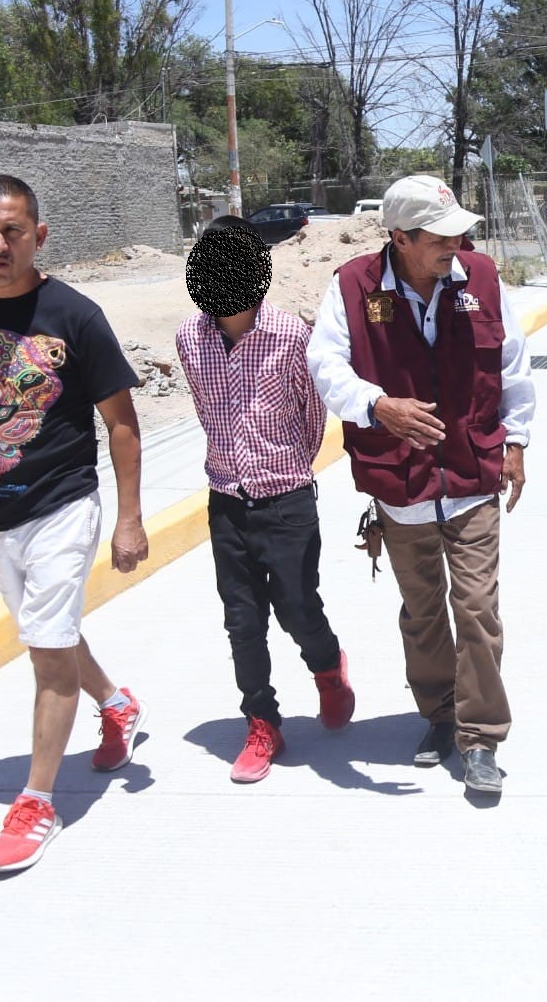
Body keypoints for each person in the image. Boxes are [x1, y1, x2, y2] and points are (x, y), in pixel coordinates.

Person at [0, 175, 150, 872]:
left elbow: (122, 423)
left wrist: (129, 518)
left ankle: (38, 801)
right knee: (52, 634)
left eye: (12, 231)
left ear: (38, 236)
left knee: (45, 650)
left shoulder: (75, 315)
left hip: (61, 507)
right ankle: (118, 704)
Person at [307, 175, 534, 794]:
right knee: (423, 611)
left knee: (477, 608)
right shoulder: (352, 286)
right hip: (399, 482)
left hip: (471, 473)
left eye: (458, 233)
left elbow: (512, 364)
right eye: (439, 237)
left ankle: (481, 737)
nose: (454, 245)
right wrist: (377, 405)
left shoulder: (481, 278)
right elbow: (324, 364)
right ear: (400, 238)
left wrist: (516, 441)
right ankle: (440, 715)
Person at [176, 215, 353, 784]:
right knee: (242, 620)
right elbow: (206, 409)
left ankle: (327, 668)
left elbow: (311, 416)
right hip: (226, 500)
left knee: (297, 607)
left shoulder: (291, 336)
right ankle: (262, 721)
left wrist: (284, 469)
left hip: (286, 500)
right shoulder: (189, 339)